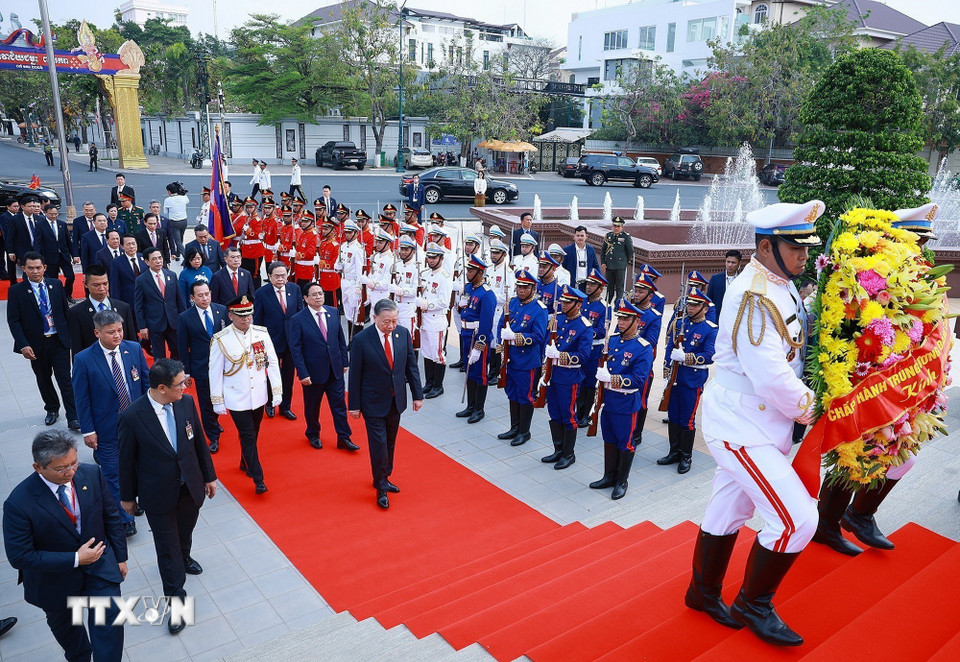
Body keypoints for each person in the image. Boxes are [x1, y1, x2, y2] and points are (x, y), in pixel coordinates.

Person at [685, 200, 822, 647]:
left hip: (759, 423)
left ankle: (701, 592)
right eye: (794, 247)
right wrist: (813, 406)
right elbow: (771, 377)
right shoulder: (755, 295)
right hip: (745, 424)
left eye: (806, 247)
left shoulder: (778, 282)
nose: (804, 255)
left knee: (730, 508)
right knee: (798, 520)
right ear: (765, 247)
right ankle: (753, 602)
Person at [2, 430, 127, 662]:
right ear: (38, 467)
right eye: (61, 469)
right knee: (75, 645)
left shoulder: (92, 475)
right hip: (54, 583)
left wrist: (120, 557)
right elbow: (20, 556)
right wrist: (76, 559)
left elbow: (111, 516)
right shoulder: (18, 504)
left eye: (74, 463)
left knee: (108, 630)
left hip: (100, 570)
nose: (70, 472)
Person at [118, 358, 217, 633]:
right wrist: (127, 497)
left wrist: (209, 476)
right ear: (161, 388)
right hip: (158, 494)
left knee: (184, 534)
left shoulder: (185, 403)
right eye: (180, 384)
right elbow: (125, 461)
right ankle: (177, 605)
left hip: (190, 488)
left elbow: (198, 441)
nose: (186, 387)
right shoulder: (132, 416)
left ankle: (184, 557)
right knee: (167, 549)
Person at [72, 309, 150, 537]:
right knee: (113, 474)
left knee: (139, 466)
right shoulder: (84, 359)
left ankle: (136, 500)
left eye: (120, 330)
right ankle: (125, 519)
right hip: (106, 428)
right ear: (97, 333)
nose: (117, 336)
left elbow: (145, 383)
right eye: (111, 332)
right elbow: (82, 398)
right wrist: (88, 430)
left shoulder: (133, 349)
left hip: (136, 423)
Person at [348, 298, 423, 509]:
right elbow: (355, 375)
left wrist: (417, 395)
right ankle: (381, 486)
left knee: (390, 441)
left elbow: (411, 367)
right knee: (378, 444)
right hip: (372, 402)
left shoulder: (402, 334)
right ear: (374, 318)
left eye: (394, 321)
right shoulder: (362, 340)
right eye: (386, 322)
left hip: (395, 400)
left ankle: (384, 475)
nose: (391, 326)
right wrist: (354, 405)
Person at [209, 295, 281, 494]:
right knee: (248, 435)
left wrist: (276, 391)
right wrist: (217, 400)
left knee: (253, 432)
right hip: (236, 396)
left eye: (249, 315)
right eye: (241, 316)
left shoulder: (261, 333)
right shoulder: (221, 339)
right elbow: (214, 372)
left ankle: (244, 462)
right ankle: (258, 478)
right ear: (231, 316)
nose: (246, 319)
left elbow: (272, 362)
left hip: (258, 394)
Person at [589, 299, 654, 499]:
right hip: (608, 400)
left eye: (626, 319)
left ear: (637, 321)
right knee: (608, 438)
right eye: (620, 318)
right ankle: (609, 475)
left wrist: (612, 379)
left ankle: (622, 480)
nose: (621, 322)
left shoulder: (643, 347)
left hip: (626, 403)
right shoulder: (615, 339)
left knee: (624, 442)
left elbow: (638, 379)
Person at [6, 252, 79, 429]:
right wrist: (23, 344)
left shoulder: (55, 285)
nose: (35, 271)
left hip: (58, 341)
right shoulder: (16, 291)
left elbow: (64, 312)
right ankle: (52, 408)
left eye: (38, 267)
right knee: (43, 378)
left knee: (65, 379)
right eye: (30, 268)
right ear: (23, 269)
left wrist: (69, 337)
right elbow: (13, 320)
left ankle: (73, 416)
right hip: (36, 344)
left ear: (44, 268)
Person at [290, 281, 357, 450]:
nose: (319, 297)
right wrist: (302, 373)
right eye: (314, 294)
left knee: (339, 405)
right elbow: (296, 349)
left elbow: (340, 340)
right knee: (313, 407)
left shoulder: (333, 312)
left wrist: (344, 361)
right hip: (313, 373)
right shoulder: (298, 319)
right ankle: (313, 433)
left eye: (320, 293)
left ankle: (344, 437)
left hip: (335, 370)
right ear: (305, 298)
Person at [659, 288, 717, 474]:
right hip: (675, 377)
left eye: (695, 305)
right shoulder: (680, 324)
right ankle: (673, 451)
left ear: (705, 308)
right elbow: (670, 347)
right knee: (674, 417)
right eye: (689, 304)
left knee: (687, 420)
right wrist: (668, 365)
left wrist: (686, 357)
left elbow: (709, 355)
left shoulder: (710, 329)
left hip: (692, 380)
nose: (690, 308)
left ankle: (686, 456)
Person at [177, 279, 228, 453]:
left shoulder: (221, 310)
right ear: (192, 297)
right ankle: (213, 435)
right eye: (200, 295)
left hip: (223, 365)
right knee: (206, 402)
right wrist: (186, 372)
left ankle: (214, 421)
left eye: (207, 294)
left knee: (221, 397)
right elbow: (182, 347)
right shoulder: (185, 318)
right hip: (201, 366)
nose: (205, 298)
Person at [254, 262, 303, 419]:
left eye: (283, 275)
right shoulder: (262, 293)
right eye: (277, 276)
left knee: (288, 374)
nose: (281, 279)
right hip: (271, 340)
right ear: (269, 276)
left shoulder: (294, 289)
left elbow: (300, 314)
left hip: (291, 340)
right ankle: (269, 403)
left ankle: (285, 406)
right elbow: (258, 319)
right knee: (269, 373)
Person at [456, 255, 496, 423]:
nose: (468, 273)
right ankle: (471, 406)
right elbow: (463, 312)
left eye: (471, 270)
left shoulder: (487, 294)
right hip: (466, 335)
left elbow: (486, 324)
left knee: (480, 374)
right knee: (469, 371)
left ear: (480, 273)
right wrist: (460, 306)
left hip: (477, 337)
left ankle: (479, 409)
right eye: (468, 270)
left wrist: (479, 347)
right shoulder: (469, 288)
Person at [67, 265, 137, 359]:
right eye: (96, 285)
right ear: (86, 284)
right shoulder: (76, 313)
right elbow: (77, 348)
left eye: (105, 284)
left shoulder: (123, 308)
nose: (102, 288)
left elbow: (131, 341)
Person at [627, 273, 662, 449]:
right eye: (636, 291)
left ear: (650, 295)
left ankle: (637, 432)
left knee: (640, 400)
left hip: (641, 364)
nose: (636, 295)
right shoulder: (629, 310)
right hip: (624, 362)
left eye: (641, 292)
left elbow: (651, 342)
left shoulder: (653, 316)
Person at [134, 246, 186, 359]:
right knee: (159, 356)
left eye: (160, 258)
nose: (158, 261)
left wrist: (184, 319)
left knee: (177, 352)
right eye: (154, 259)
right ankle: (162, 376)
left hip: (173, 321)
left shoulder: (171, 275)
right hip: (154, 324)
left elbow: (179, 300)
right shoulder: (141, 280)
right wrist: (142, 326)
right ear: (147, 262)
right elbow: (139, 306)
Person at [417, 242, 452, 398]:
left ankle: (438, 386)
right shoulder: (424, 273)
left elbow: (444, 301)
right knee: (426, 352)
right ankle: (429, 383)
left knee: (438, 354)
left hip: (436, 319)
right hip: (424, 319)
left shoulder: (444, 277)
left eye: (434, 257)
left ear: (441, 258)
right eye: (429, 257)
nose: (431, 260)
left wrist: (427, 304)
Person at [575, 269, 609, 427]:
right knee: (579, 381)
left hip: (594, 351)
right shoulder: (582, 302)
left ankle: (586, 414)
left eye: (592, 285)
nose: (588, 287)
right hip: (579, 348)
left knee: (589, 383)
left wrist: (584, 333)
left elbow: (602, 330)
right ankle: (578, 411)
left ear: (601, 288)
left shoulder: (604, 307)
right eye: (587, 284)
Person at [485, 239, 514, 386]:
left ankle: (496, 372)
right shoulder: (489, 270)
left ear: (503, 254)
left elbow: (509, 295)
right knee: (489, 340)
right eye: (492, 252)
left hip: (498, 310)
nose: (494, 256)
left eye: (497, 253)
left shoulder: (508, 272)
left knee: (496, 342)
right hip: (488, 311)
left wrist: (491, 298)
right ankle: (490, 369)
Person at [40, 204, 78, 302]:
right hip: (50, 257)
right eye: (51, 214)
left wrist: (74, 255)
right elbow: (38, 243)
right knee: (53, 280)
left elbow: (68, 241)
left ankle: (67, 294)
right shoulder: (41, 225)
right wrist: (39, 259)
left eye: (55, 214)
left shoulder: (62, 224)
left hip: (63, 256)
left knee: (70, 276)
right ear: (45, 213)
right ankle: (56, 297)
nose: (54, 216)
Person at [336, 219, 366, 338]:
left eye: (350, 232)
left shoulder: (358, 249)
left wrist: (359, 287)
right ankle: (350, 339)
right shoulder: (343, 246)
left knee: (356, 315)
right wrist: (337, 266)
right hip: (344, 282)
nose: (347, 235)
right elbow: (339, 264)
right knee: (348, 313)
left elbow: (360, 271)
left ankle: (356, 340)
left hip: (354, 283)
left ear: (356, 233)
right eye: (346, 233)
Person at [601, 216, 634, 303]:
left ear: (622, 227)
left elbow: (630, 251)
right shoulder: (608, 236)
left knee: (619, 287)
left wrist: (625, 261)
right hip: (609, 265)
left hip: (620, 266)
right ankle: (607, 302)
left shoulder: (625, 237)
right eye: (614, 226)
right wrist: (603, 262)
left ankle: (618, 304)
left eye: (618, 226)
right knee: (609, 286)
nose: (616, 228)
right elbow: (603, 250)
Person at [109, 235, 146, 306]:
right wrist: (115, 304)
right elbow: (114, 285)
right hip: (128, 301)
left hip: (146, 299)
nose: (131, 246)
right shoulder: (116, 262)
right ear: (122, 246)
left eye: (133, 243)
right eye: (128, 244)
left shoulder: (144, 258)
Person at [706, 249, 742, 318]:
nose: (730, 265)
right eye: (728, 262)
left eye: (733, 262)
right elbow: (709, 300)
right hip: (718, 319)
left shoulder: (743, 279)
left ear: (739, 263)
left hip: (737, 318)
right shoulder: (715, 279)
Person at [563, 226, 601, 290]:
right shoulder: (567, 250)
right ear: (574, 236)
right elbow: (563, 267)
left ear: (586, 236)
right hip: (572, 284)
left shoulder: (591, 249)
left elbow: (595, 266)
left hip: (586, 285)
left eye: (582, 236)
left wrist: (599, 281)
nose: (580, 238)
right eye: (578, 236)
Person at [0, 197, 21, 283]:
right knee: (10, 263)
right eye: (14, 206)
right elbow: (7, 232)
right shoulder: (4, 217)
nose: (17, 208)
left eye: (17, 206)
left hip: (18, 242)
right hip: (7, 243)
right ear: (8, 207)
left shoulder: (19, 215)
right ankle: (9, 278)